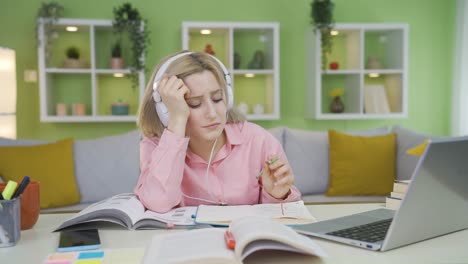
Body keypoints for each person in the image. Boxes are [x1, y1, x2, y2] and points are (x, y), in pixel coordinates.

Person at [135, 51, 301, 213]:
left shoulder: (258, 140)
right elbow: (158, 203)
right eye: (194, 103)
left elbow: (286, 218)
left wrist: (276, 195)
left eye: (217, 99)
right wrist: (177, 120)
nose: (212, 113)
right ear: (166, 109)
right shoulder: (155, 148)